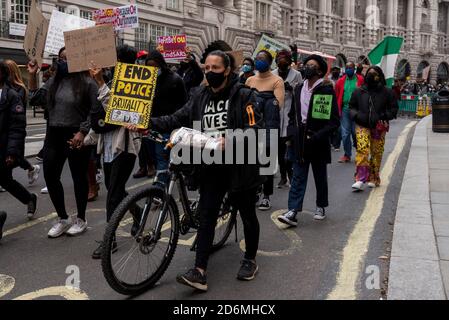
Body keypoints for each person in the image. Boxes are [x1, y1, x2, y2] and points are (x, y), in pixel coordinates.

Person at [146, 50, 264, 291]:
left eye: (215, 69)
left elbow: (256, 129)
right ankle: (199, 271)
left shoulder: (245, 96)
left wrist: (232, 140)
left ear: (228, 70)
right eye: (206, 68)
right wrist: (146, 122)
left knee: (247, 214)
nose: (210, 73)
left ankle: (250, 259)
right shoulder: (199, 96)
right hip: (210, 166)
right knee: (208, 215)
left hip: (239, 166)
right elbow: (177, 118)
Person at [28, 47, 100, 238]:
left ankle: (81, 219)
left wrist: (82, 131)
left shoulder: (87, 83)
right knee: (50, 176)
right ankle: (63, 218)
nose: (62, 62)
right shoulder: (54, 81)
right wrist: (33, 75)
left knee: (78, 178)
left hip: (75, 135)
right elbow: (34, 98)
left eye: (67, 59)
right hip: (53, 134)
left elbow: (96, 110)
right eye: (60, 59)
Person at [88, 44, 143, 259]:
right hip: (108, 145)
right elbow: (98, 114)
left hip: (125, 145)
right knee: (115, 188)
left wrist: (101, 83)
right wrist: (88, 137)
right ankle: (137, 211)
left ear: (121, 61)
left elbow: (118, 113)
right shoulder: (111, 80)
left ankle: (109, 241)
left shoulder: (136, 81)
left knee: (112, 195)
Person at [278, 55, 340, 227]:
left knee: (319, 176)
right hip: (299, 140)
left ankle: (320, 206)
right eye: (306, 65)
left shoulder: (326, 90)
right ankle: (292, 211)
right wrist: (291, 133)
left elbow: (334, 121)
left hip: (317, 140)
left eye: (311, 65)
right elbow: (293, 115)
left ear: (319, 70)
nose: (307, 67)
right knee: (298, 176)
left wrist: (318, 136)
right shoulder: (298, 88)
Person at [246, 50, 285, 211]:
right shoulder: (249, 80)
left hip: (268, 126)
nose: (258, 61)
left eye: (262, 59)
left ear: (269, 63)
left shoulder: (277, 81)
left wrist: (260, 102)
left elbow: (278, 104)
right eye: (257, 58)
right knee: (251, 162)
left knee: (266, 162)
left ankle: (266, 195)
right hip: (251, 126)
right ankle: (254, 190)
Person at [350, 66, 398, 191]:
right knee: (362, 149)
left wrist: (384, 116)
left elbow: (393, 109)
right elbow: (352, 107)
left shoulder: (388, 92)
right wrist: (356, 115)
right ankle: (360, 179)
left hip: (379, 127)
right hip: (362, 125)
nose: (371, 75)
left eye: (374, 73)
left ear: (380, 76)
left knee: (376, 152)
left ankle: (374, 177)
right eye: (369, 73)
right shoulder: (358, 91)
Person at [0, 60, 38, 222]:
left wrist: (12, 152)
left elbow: (17, 127)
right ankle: (29, 198)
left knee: (5, 181)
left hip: (4, 147)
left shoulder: (12, 95)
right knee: (6, 181)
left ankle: (28, 199)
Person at [145, 50, 188, 186]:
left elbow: (184, 104)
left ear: (161, 64)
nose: (152, 69)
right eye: (149, 66)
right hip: (152, 124)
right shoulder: (147, 80)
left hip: (168, 125)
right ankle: (166, 178)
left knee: (161, 156)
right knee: (156, 156)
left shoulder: (176, 80)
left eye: (155, 66)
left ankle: (159, 188)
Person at [4, 59, 41, 185]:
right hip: (4, 127)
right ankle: (30, 169)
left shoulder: (19, 89)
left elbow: (16, 109)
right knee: (11, 156)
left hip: (14, 127)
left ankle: (10, 181)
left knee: (14, 156)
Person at [273, 50, 303, 188]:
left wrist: (291, 88)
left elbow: (301, 92)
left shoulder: (296, 75)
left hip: (291, 115)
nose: (282, 61)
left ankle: (291, 174)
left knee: (289, 147)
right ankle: (283, 176)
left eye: (285, 59)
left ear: (290, 60)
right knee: (279, 149)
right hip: (276, 115)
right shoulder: (272, 74)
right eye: (280, 58)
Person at [335, 61, 364, 163]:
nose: (348, 69)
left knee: (355, 133)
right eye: (347, 68)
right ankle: (347, 155)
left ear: (354, 68)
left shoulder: (360, 79)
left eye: (350, 68)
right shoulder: (340, 81)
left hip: (357, 110)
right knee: (345, 134)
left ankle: (359, 154)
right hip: (345, 110)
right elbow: (337, 95)